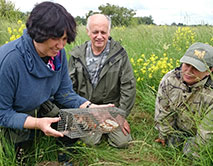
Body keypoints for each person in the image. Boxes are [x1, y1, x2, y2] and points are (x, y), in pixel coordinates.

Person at [0, 1, 112, 163]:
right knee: (18, 155)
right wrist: (37, 123)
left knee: (76, 121)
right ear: (38, 33)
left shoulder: (57, 54)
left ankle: (64, 154)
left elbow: (64, 93)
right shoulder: (10, 60)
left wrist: (91, 108)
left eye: (65, 39)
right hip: (13, 115)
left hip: (40, 106)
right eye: (55, 38)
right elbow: (2, 113)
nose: (60, 45)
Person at [68, 14, 136, 148]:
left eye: (103, 32)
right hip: (87, 109)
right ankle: (97, 130)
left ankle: (108, 128)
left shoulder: (120, 54)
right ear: (88, 32)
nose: (99, 36)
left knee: (122, 142)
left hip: (111, 110)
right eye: (95, 32)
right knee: (90, 142)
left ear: (109, 32)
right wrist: (79, 113)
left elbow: (128, 86)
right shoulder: (76, 55)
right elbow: (69, 87)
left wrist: (121, 115)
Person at [155, 42, 213, 156]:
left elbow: (206, 134)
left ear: (209, 70)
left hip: (201, 133)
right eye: (186, 64)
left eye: (196, 68)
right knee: (171, 144)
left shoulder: (211, 93)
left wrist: (198, 150)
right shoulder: (170, 80)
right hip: (179, 128)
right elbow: (163, 112)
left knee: (192, 153)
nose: (188, 71)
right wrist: (164, 135)